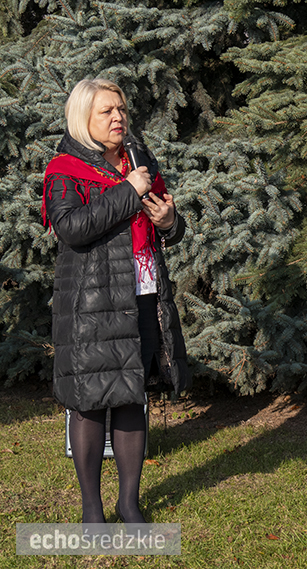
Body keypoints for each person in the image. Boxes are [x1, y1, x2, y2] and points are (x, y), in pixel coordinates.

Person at [42, 78, 190, 524]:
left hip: (142, 290)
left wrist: (169, 220)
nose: (118, 118)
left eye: (121, 109)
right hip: (91, 299)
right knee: (89, 401)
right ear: (83, 117)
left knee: (131, 396)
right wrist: (129, 190)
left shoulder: (139, 158)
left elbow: (168, 219)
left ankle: (130, 503)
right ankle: (92, 509)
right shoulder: (66, 169)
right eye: (106, 111)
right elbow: (71, 228)